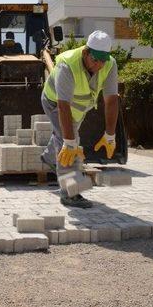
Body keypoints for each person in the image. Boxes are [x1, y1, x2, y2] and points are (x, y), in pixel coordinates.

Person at [40, 30, 119, 208]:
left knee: (67, 140)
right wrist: (69, 141)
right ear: (85, 52)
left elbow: (112, 100)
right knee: (70, 143)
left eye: (102, 60)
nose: (98, 65)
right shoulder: (67, 64)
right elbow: (63, 105)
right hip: (55, 103)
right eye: (94, 60)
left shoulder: (110, 64)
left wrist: (110, 134)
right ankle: (70, 193)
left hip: (79, 107)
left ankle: (49, 157)